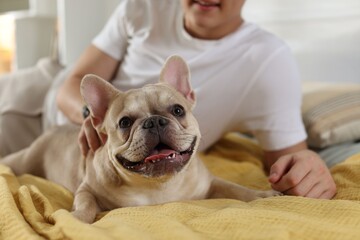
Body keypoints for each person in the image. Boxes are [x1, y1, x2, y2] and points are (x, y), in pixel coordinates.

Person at [2, 0, 337, 199]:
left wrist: (309, 169)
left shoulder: (267, 60)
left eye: (175, 111)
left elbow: (290, 160)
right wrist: (98, 119)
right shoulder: (143, 7)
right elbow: (70, 85)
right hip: (36, 108)